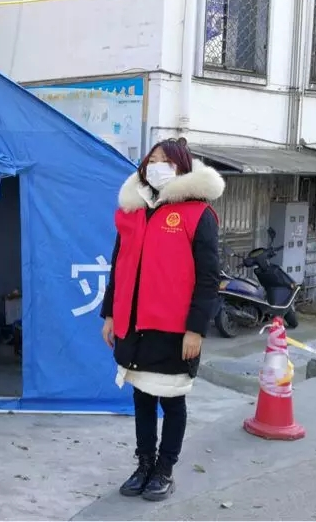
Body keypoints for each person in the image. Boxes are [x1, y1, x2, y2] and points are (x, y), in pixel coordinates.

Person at [99, 138, 223, 502]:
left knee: (171, 400)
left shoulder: (198, 214)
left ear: (182, 166)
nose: (156, 167)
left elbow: (208, 278)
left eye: (166, 161)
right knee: (141, 397)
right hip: (134, 325)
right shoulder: (133, 211)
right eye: (152, 160)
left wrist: (196, 329)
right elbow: (119, 267)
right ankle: (144, 464)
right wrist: (110, 314)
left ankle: (164, 469)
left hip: (174, 330)